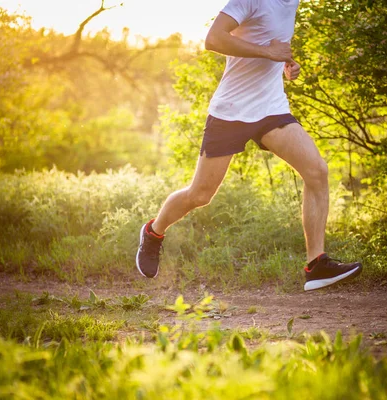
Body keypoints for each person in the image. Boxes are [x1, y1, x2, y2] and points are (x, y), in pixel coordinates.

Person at [136, 0, 362, 291]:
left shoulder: (292, 3)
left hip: (270, 108)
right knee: (200, 194)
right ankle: (153, 233)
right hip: (231, 111)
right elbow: (213, 39)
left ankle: (316, 264)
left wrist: (286, 65)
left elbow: (269, 43)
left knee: (317, 171)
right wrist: (269, 52)